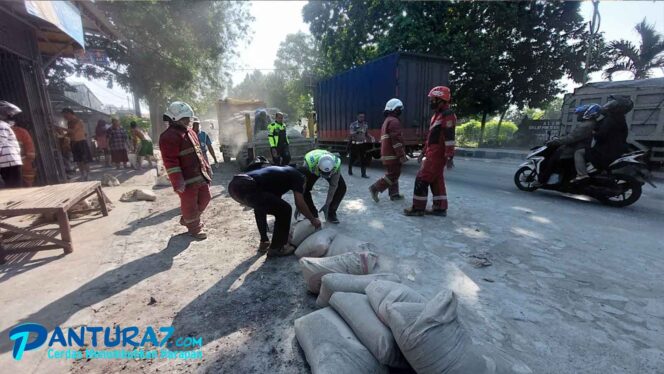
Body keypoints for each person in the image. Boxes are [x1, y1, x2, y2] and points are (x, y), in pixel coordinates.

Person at [228, 165, 321, 257]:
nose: (303, 188)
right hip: (247, 185)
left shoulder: (282, 176)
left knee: (261, 207)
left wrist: (283, 234)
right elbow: (300, 203)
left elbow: (273, 204)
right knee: (286, 210)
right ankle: (277, 248)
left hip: (234, 186)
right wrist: (313, 220)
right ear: (305, 178)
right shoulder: (299, 176)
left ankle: (264, 241)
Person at [159, 101, 212, 240]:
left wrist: (207, 167)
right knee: (190, 205)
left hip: (199, 175)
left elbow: (199, 152)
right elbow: (170, 162)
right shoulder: (168, 137)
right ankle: (195, 228)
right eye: (186, 118)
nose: (189, 121)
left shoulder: (190, 132)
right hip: (186, 180)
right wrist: (178, 181)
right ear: (176, 119)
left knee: (206, 198)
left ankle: (187, 220)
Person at [405, 86, 457, 216]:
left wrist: (449, 156)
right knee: (436, 180)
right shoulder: (436, 116)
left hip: (437, 155)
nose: (431, 102)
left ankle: (418, 208)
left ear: (441, 100)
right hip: (432, 153)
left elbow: (449, 138)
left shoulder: (448, 115)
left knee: (421, 179)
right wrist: (423, 152)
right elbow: (430, 138)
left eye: (433, 99)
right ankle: (440, 208)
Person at [546, 104, 601, 183]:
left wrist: (554, 142)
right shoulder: (592, 123)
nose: (578, 116)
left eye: (580, 114)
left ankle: (543, 179)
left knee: (554, 158)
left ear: (586, 114)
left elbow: (571, 138)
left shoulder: (585, 125)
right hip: (584, 146)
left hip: (579, 147)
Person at [369, 98, 407, 202]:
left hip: (387, 153)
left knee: (393, 173)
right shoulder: (394, 121)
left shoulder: (387, 121)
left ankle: (394, 194)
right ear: (394, 109)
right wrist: (401, 155)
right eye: (399, 109)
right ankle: (375, 188)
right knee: (393, 174)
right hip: (392, 154)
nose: (401, 111)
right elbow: (396, 140)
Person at [299, 149, 346, 224]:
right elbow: (301, 186)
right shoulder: (309, 164)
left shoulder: (336, 165)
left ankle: (331, 212)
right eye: (323, 173)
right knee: (306, 189)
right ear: (317, 166)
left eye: (327, 174)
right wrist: (300, 204)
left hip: (326, 168)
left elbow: (333, 186)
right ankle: (312, 213)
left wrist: (327, 204)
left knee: (342, 188)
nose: (324, 177)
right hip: (312, 167)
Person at [587, 96, 631, 170]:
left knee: (581, 152)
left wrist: (593, 132)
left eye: (611, 103)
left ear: (616, 106)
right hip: (614, 151)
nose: (608, 104)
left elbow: (601, 135)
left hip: (605, 152)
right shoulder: (620, 118)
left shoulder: (610, 119)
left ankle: (582, 175)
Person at [61, 108, 92, 180]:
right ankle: (82, 174)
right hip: (74, 142)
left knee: (85, 160)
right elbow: (69, 133)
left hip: (81, 141)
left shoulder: (78, 121)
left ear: (69, 113)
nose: (65, 118)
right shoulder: (69, 123)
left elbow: (73, 131)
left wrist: (61, 129)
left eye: (65, 116)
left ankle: (88, 174)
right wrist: (64, 136)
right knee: (78, 160)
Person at [0, 101, 23, 188]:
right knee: (14, 187)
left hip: (7, 161)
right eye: (8, 114)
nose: (10, 116)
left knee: (13, 187)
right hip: (9, 162)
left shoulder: (2, 125)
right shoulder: (2, 125)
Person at [11, 117, 37, 187]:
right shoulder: (22, 132)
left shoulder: (22, 132)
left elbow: (30, 153)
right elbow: (31, 152)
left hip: (22, 164)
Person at [347, 111, 374, 178]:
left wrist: (371, 137)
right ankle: (350, 170)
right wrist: (357, 131)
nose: (362, 118)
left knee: (363, 159)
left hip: (362, 144)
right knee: (352, 159)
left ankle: (363, 174)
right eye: (360, 117)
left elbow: (366, 134)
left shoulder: (365, 125)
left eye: (363, 117)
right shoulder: (353, 124)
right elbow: (351, 133)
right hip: (354, 144)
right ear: (357, 117)